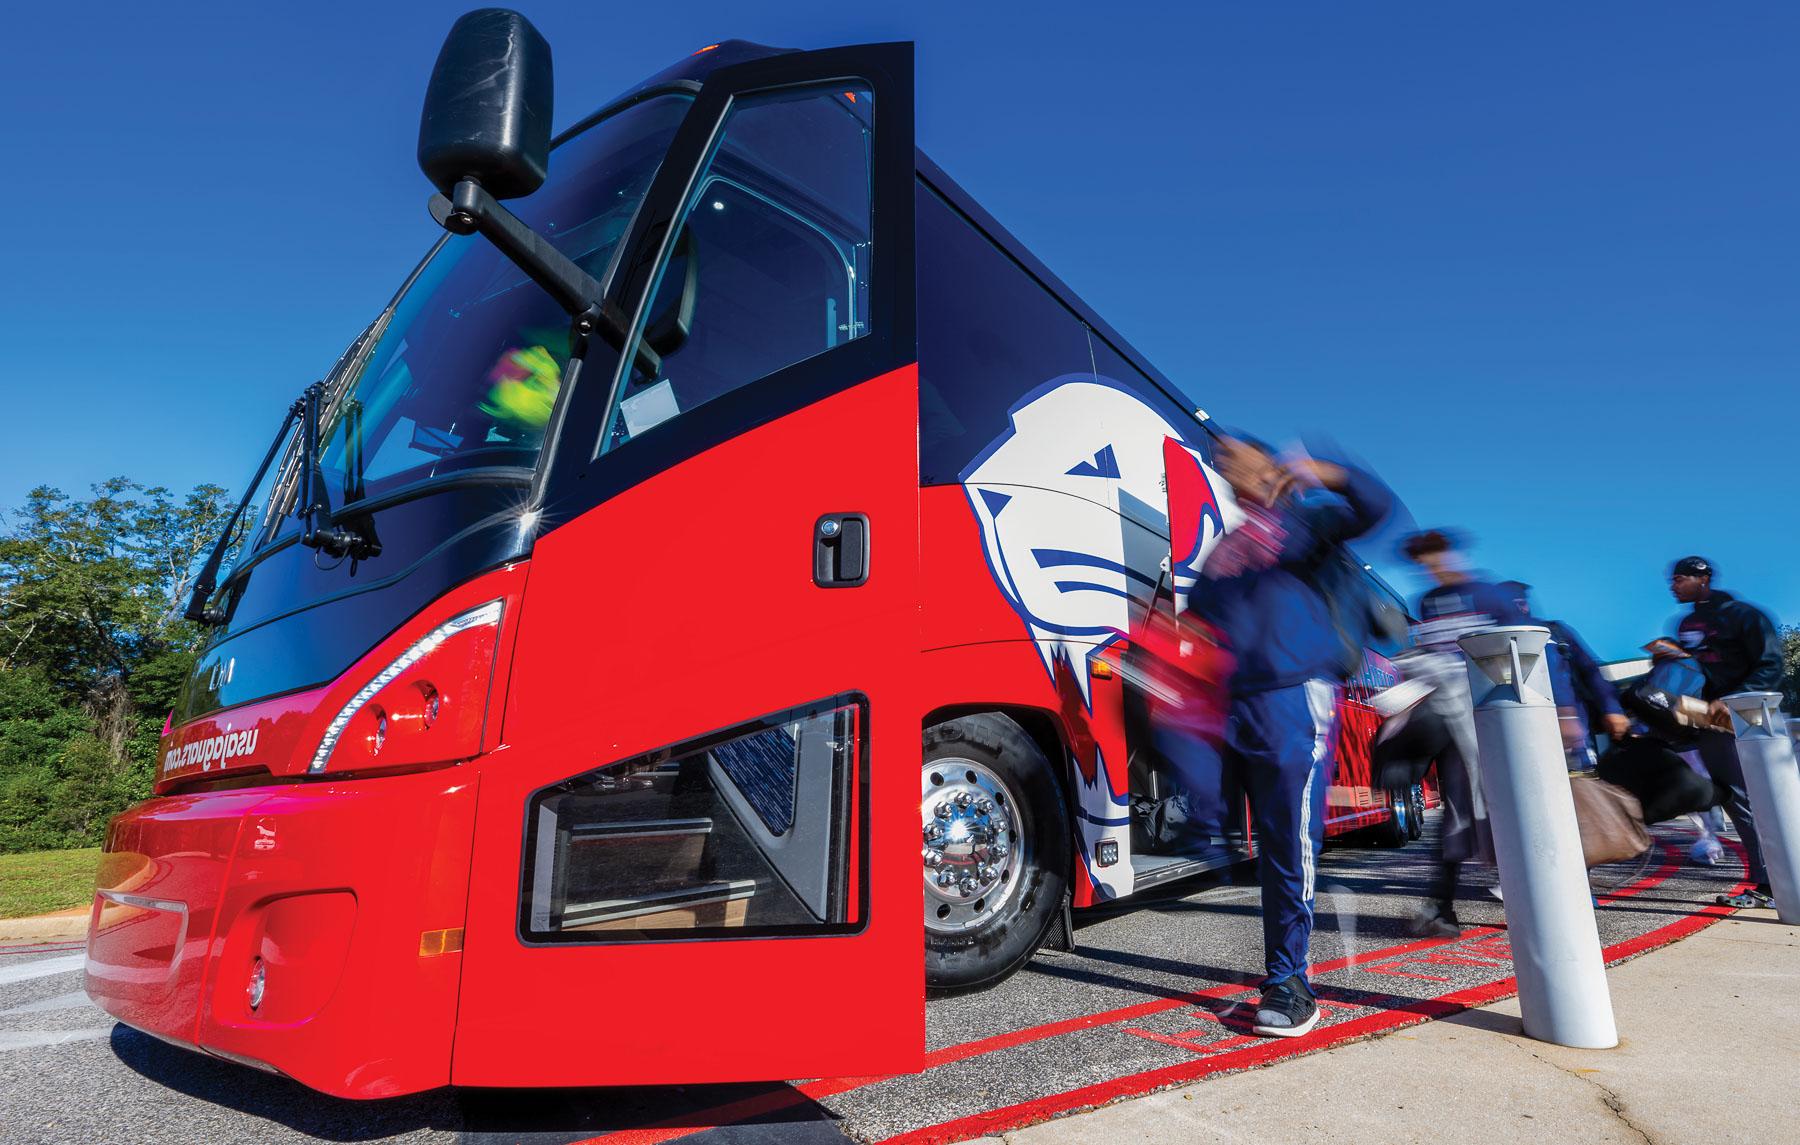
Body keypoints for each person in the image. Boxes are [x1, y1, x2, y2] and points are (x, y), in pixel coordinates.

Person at [1179, 432, 1392, 1038]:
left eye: (1232, 453)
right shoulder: (1221, 553)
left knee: (1288, 837)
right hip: (1234, 705)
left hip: (1294, 695)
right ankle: (1283, 964)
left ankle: (1290, 981)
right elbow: (1198, 631)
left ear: (1264, 458)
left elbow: (1376, 510)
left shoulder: (1303, 521)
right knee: (1254, 836)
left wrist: (1328, 470)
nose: (1222, 463)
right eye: (1216, 459)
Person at [1397, 529, 1529, 936]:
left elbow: (1526, 650)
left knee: (1510, 809)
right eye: (1422, 562)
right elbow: (1430, 654)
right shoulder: (1428, 602)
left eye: (1435, 557)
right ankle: (1442, 907)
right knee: (1456, 813)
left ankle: (1532, 897)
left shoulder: (1491, 595)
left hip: (1496, 720)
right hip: (1455, 725)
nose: (1431, 567)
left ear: (1452, 554)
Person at [1670, 556, 1783, 907]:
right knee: (1739, 801)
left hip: (1749, 721)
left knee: (1765, 800)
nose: (1673, 587)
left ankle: (1774, 884)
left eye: (1679, 579)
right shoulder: (1686, 622)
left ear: (1701, 578)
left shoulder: (1744, 615)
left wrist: (1733, 699)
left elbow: (1770, 664)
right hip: (1708, 725)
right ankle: (1768, 882)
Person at [1497, 581, 1628, 772]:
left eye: (1522, 602)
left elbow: (1591, 672)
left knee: (1583, 787)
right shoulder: (1489, 639)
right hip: (1518, 735)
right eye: (1513, 603)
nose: (1520, 607)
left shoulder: (1556, 632)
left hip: (1573, 733)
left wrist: (1612, 709)